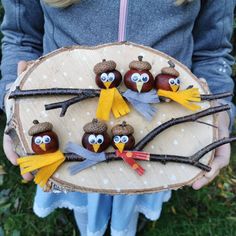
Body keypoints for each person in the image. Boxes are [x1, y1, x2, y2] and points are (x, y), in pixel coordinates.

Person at [0, 0, 235, 235]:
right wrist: (15, 98)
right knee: (82, 193)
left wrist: (219, 112)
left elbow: (212, 52)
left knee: (136, 193)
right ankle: (88, 224)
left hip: (158, 133)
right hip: (67, 132)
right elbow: (21, 37)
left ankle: (126, 223)